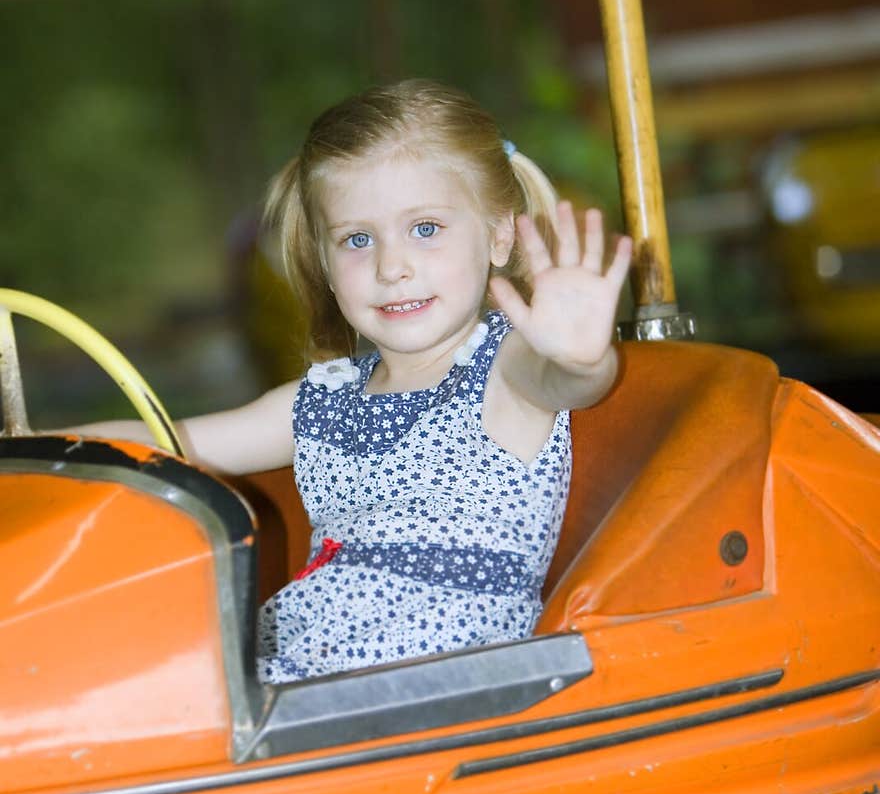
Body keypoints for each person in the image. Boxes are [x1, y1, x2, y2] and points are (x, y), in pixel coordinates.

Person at [78, 79, 632, 683]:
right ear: (323, 260)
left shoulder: (506, 370)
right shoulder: (325, 399)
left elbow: (569, 382)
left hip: (425, 690)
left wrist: (580, 358)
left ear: (499, 235)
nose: (392, 267)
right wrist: (30, 443)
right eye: (357, 240)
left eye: (425, 228)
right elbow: (168, 440)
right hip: (301, 674)